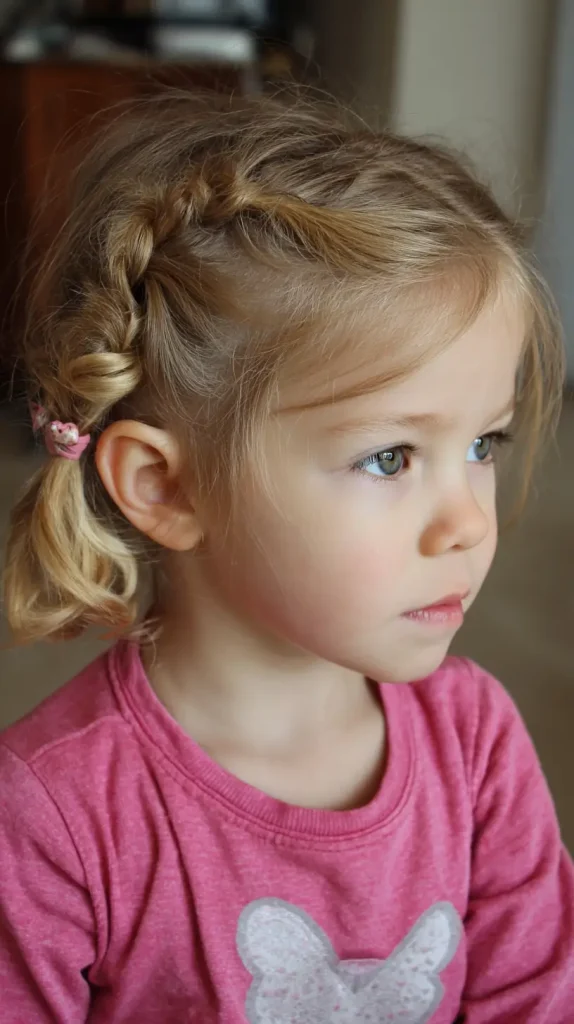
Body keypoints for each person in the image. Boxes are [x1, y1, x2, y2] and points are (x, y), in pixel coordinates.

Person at [0, 91, 572, 1024]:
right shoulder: (52, 814)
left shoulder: (477, 744)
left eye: (485, 445)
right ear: (166, 488)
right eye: (391, 457)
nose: (467, 521)